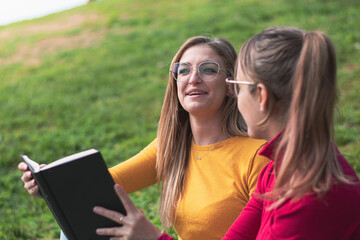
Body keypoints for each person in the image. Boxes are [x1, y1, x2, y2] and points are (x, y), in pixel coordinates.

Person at [19, 36, 269, 240]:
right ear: (176, 81)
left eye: (208, 70)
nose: (194, 78)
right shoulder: (172, 146)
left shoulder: (256, 156)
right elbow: (104, 185)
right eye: (184, 70)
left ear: (229, 85)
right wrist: (50, 184)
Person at [221, 26, 360, 239]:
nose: (235, 97)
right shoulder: (276, 171)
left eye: (237, 87)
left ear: (261, 96)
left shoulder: (308, 200)